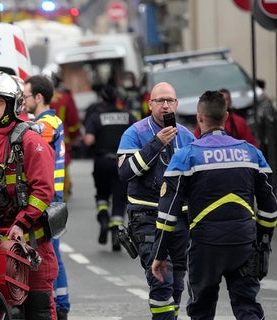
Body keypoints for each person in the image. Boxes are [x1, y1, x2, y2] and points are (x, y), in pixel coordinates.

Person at [152, 90, 277, 319]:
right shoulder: (251, 153)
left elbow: (168, 213)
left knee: (201, 309)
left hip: (205, 246)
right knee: (247, 307)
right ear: (226, 116)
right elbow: (270, 207)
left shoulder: (186, 157)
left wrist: (160, 254)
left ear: (199, 117)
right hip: (244, 242)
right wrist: (261, 239)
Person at [0, 71, 58, 319]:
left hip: (31, 240)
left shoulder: (29, 140)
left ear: (13, 105)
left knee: (38, 310)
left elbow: (43, 191)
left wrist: (22, 223)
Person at [117, 82, 196, 320]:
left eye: (169, 100)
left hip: (180, 219)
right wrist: (156, 144)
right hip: (147, 216)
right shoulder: (135, 133)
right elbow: (125, 173)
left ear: (176, 104)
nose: (165, 105)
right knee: (161, 280)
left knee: (177, 285)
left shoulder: (187, 136)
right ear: (150, 104)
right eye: (159, 101)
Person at [23, 74, 70, 320]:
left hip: (49, 197)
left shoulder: (47, 122)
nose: (23, 101)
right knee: (53, 252)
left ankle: (60, 306)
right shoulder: (46, 120)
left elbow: (30, 144)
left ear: (38, 97)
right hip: (52, 196)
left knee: (51, 253)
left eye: (25, 96)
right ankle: (60, 304)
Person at [84, 84, 136, 251]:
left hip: (102, 162)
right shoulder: (128, 116)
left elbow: (88, 140)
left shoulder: (96, 116)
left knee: (102, 195)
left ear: (103, 99)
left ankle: (103, 217)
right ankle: (115, 232)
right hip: (122, 163)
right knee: (120, 199)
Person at [193, 88, 258, 147]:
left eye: (226, 99)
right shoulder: (251, 150)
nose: (225, 103)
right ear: (226, 116)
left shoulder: (239, 122)